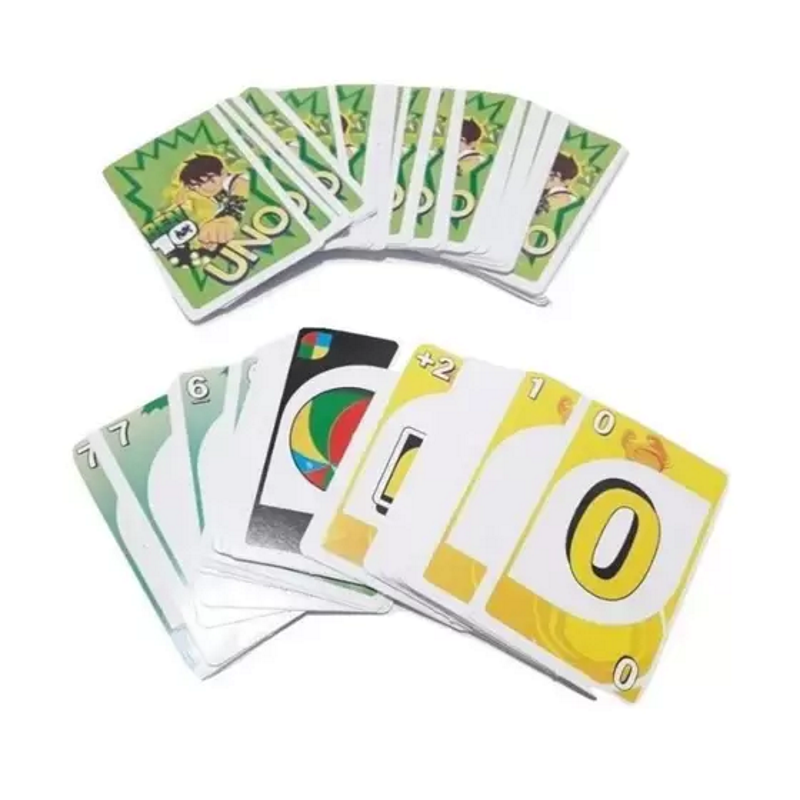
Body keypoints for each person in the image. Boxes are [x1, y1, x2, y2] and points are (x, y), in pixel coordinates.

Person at [177, 154, 248, 247]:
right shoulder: (219, 195)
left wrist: (226, 222)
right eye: (196, 186)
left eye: (209, 179)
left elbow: (239, 198)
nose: (204, 188)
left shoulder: (236, 181)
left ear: (223, 172)